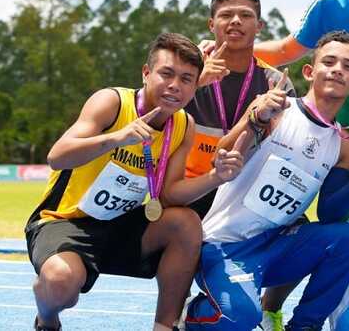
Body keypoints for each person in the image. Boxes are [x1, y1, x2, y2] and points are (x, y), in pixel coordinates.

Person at [167, 31, 349, 331]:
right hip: (227, 245)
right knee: (239, 317)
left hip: (276, 248)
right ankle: (191, 316)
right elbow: (220, 156)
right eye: (329, 61)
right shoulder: (274, 110)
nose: (337, 69)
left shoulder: (344, 145)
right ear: (310, 72)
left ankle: (304, 326)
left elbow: (328, 213)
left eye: (348, 66)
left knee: (346, 240)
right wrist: (256, 120)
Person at [25, 33, 248, 331]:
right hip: (66, 221)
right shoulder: (112, 103)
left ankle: (164, 326)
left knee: (185, 222)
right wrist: (117, 137)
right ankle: (47, 320)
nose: (174, 86)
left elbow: (169, 196)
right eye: (166, 74)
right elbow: (57, 156)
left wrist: (215, 177)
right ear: (146, 73)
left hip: (121, 226)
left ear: (196, 86)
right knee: (59, 282)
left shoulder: (183, 125)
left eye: (186, 79)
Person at [185, 0, 295, 219]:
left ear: (259, 27)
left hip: (247, 199)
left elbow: (287, 150)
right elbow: (151, 116)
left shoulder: (277, 84)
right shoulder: (187, 74)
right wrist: (194, 83)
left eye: (246, 15)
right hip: (191, 194)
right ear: (211, 24)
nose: (236, 20)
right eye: (226, 15)